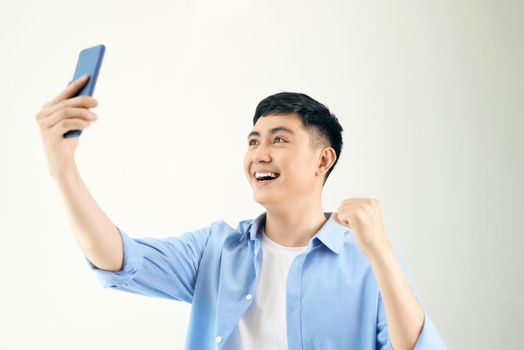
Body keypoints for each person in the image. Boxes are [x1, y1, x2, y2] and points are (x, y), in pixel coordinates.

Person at [36, 75, 447, 350]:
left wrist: (381, 253)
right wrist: (62, 167)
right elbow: (118, 260)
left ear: (323, 160)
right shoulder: (216, 249)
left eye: (279, 140)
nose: (259, 154)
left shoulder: (367, 260)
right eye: (253, 141)